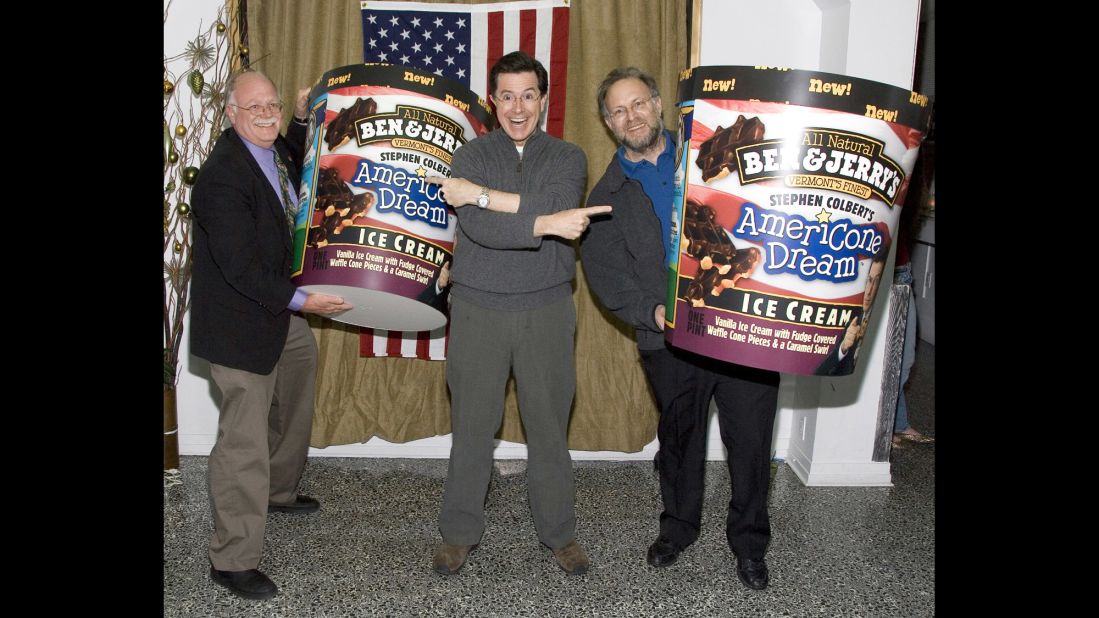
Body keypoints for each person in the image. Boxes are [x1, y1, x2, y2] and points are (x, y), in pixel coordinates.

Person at [579, 67, 779, 591]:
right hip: (669, 339)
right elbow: (605, 273)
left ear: (659, 103)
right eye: (619, 110)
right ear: (608, 122)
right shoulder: (606, 194)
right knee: (680, 439)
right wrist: (650, 312)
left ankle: (750, 544)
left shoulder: (712, 154)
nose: (632, 116)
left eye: (639, 103)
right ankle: (678, 529)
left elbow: (771, 204)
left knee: (751, 441)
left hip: (741, 330)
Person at [424, 51, 609, 576]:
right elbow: (485, 230)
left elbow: (557, 210)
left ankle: (560, 534)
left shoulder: (569, 156)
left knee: (549, 429)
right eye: (507, 96)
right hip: (479, 308)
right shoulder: (471, 153)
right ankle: (458, 533)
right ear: (492, 102)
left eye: (529, 94)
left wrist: (479, 196)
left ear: (544, 99)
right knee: (472, 428)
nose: (518, 107)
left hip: (547, 309)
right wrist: (542, 218)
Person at [190, 71, 352, 601]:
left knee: (297, 395)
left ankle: (280, 492)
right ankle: (232, 558)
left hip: (281, 316)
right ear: (231, 112)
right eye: (253, 107)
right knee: (243, 441)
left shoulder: (274, 148)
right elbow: (239, 268)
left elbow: (302, 159)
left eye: (273, 105)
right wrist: (306, 300)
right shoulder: (220, 177)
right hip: (241, 321)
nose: (266, 114)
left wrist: (304, 118)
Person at [814, 241, 889, 376]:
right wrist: (843, 348)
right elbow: (819, 372)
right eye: (870, 280)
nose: (869, 291)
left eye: (877, 282)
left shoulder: (887, 318)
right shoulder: (855, 317)